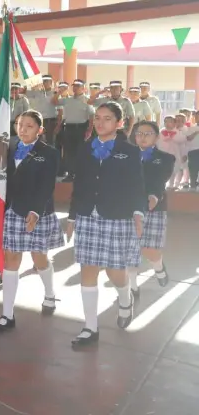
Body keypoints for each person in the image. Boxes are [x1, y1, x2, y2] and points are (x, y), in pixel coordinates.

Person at [66, 101, 145, 350]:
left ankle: (124, 298)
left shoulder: (129, 151)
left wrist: (138, 214)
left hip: (117, 215)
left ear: (119, 123)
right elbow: (79, 185)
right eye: (97, 118)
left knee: (114, 271)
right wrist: (71, 217)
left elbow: (137, 184)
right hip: (88, 214)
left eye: (107, 118)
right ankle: (90, 326)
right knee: (88, 269)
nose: (100, 123)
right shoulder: (85, 148)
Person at [0, 110, 63, 333]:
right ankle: (7, 314)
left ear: (40, 130)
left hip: (36, 210)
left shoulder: (49, 153)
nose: (23, 129)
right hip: (12, 210)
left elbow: (47, 185)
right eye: (20, 125)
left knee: (39, 258)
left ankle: (50, 293)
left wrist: (36, 210)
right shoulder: (7, 147)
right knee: (11, 260)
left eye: (29, 126)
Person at [129, 121, 174, 299]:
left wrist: (154, 196)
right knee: (130, 249)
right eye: (139, 133)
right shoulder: (126, 157)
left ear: (156, 137)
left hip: (154, 207)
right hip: (130, 208)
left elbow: (159, 180)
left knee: (150, 250)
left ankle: (159, 268)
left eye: (148, 133)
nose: (143, 137)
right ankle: (132, 288)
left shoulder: (166, 158)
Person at [52, 79, 93, 182]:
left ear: (84, 88)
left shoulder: (87, 100)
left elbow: (92, 116)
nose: (75, 88)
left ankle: (80, 174)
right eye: (74, 86)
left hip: (81, 128)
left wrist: (90, 130)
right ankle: (70, 174)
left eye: (78, 86)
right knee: (69, 152)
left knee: (80, 152)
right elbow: (54, 101)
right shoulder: (68, 99)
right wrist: (60, 92)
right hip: (69, 128)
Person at [26, 75, 61, 147]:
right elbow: (24, 91)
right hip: (39, 122)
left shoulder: (55, 94)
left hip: (50, 122)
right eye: (42, 81)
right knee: (37, 143)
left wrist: (58, 125)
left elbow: (60, 111)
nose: (44, 83)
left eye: (46, 81)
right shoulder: (37, 92)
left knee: (50, 144)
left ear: (51, 82)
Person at [157, 116, 186, 190]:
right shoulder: (161, 132)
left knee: (173, 170)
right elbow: (157, 143)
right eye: (165, 121)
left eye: (170, 121)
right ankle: (161, 185)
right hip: (163, 155)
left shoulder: (178, 132)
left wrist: (184, 154)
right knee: (163, 170)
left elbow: (182, 142)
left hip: (174, 155)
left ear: (174, 123)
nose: (167, 123)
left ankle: (172, 184)